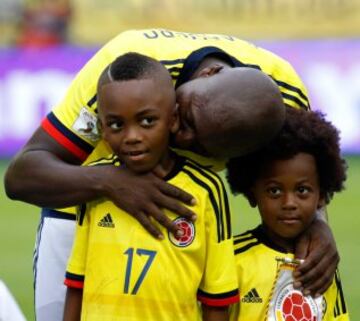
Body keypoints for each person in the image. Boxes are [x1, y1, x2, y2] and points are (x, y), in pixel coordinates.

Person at [4, 28, 337, 321]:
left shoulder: (285, 101)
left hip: (183, 237)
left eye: (206, 151)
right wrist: (110, 181)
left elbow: (304, 183)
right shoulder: (125, 71)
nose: (180, 137)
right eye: (188, 118)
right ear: (209, 75)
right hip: (86, 216)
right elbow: (22, 174)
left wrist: (318, 225)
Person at [63, 52, 239, 321]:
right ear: (102, 128)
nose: (132, 137)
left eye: (147, 121)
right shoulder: (94, 184)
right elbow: (77, 283)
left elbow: (217, 300)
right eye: (116, 124)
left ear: (173, 119)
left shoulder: (206, 190)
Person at [226, 107, 349, 321]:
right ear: (252, 193)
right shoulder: (233, 260)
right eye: (274, 191)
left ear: (321, 195)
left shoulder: (321, 265)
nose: (289, 203)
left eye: (302, 190)